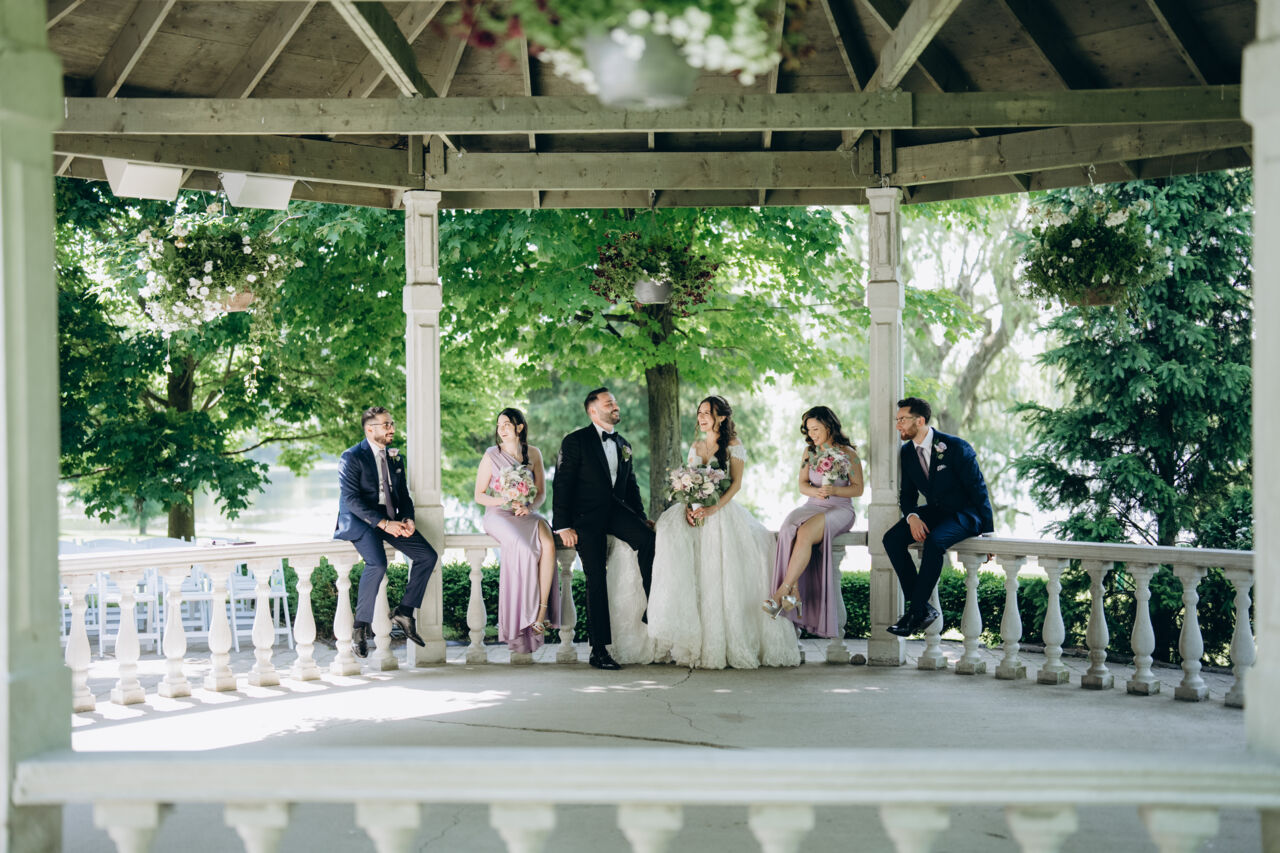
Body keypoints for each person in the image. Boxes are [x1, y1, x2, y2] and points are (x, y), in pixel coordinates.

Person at [649, 396, 802, 669]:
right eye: (699, 412)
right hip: (697, 513)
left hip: (721, 512)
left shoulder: (733, 445)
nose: (701, 417)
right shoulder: (696, 446)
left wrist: (713, 508)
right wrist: (690, 508)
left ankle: (728, 643)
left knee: (722, 575)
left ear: (721, 417)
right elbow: (689, 484)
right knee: (683, 554)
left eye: (707, 413)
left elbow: (736, 484)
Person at [552, 387, 656, 671]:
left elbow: (631, 486)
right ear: (593, 411)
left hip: (616, 512)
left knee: (649, 540)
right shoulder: (575, 441)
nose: (615, 406)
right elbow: (562, 483)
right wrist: (563, 526)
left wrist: (640, 518)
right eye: (609, 403)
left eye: (615, 402)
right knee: (596, 577)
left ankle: (653, 607)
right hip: (585, 518)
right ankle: (598, 651)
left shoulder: (623, 444)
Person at [882, 396, 994, 637]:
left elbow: (978, 489)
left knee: (934, 542)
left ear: (920, 421)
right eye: (897, 419)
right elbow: (908, 494)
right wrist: (912, 516)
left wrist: (988, 533)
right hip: (936, 512)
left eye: (902, 419)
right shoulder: (907, 452)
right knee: (891, 539)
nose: (898, 425)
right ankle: (922, 608)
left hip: (966, 513)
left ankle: (915, 611)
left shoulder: (956, 447)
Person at [334, 406, 438, 658]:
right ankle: (360, 627)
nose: (392, 429)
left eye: (392, 424)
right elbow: (350, 499)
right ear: (370, 429)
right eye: (386, 425)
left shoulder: (395, 457)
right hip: (361, 520)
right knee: (378, 563)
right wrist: (383, 523)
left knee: (427, 556)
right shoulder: (351, 457)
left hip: (391, 518)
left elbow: (403, 495)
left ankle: (404, 612)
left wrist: (408, 519)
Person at [766, 406, 864, 638]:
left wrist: (834, 491)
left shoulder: (848, 453)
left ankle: (781, 593)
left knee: (806, 532)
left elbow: (858, 489)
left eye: (816, 429)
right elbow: (802, 484)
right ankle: (794, 592)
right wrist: (816, 491)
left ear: (829, 426)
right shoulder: (809, 452)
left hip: (839, 508)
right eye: (809, 430)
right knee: (788, 528)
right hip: (812, 504)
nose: (812, 434)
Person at [474, 408, 559, 659]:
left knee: (548, 544)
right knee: (525, 548)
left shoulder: (533, 453)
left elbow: (541, 493)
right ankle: (524, 619)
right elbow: (479, 495)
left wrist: (528, 507)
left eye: (507, 424)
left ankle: (541, 614)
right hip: (498, 514)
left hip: (525, 512)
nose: (501, 429)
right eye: (499, 425)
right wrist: (505, 499)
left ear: (519, 427)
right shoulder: (491, 455)